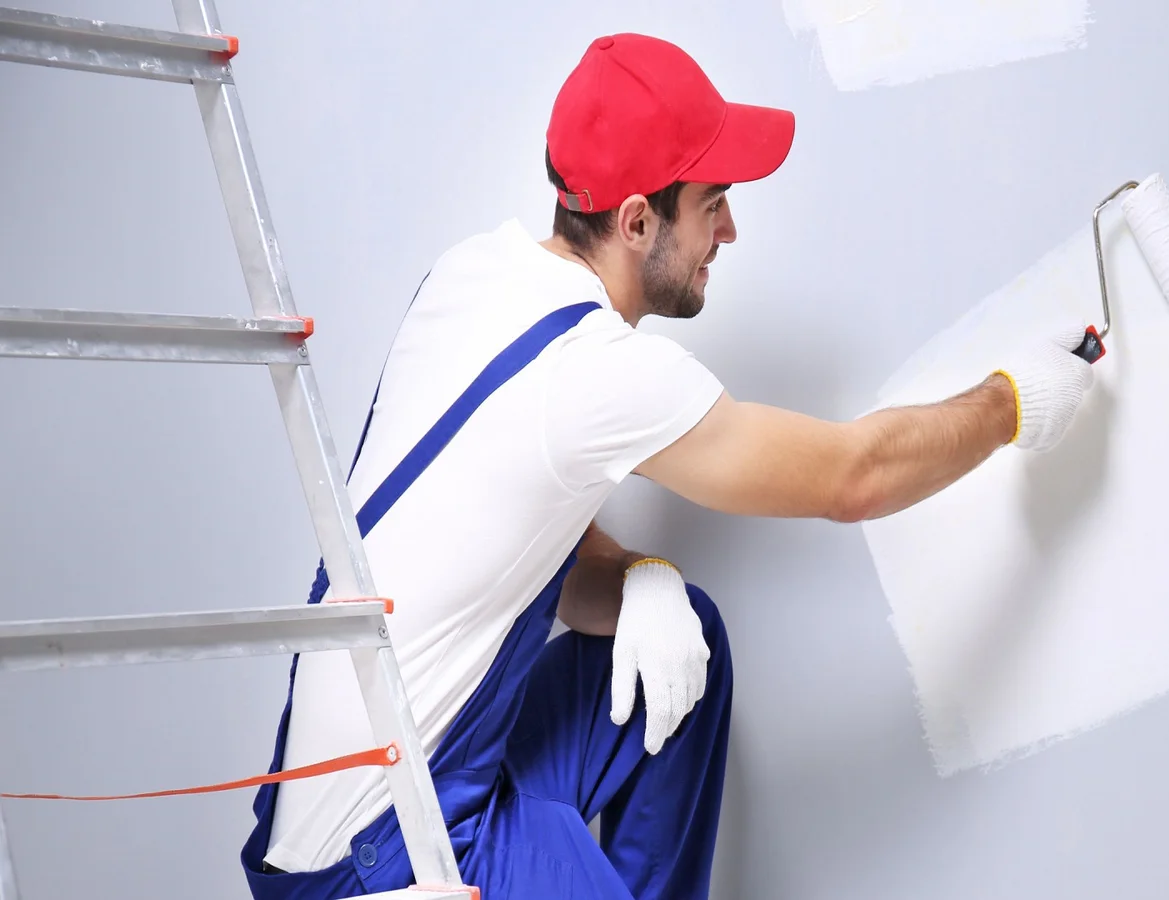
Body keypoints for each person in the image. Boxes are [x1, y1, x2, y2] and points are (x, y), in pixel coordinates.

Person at [241, 31, 1095, 900]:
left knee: (687, 640)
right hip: (377, 856)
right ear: (638, 218)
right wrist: (1010, 403)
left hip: (398, 780)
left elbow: (514, 520)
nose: (729, 229)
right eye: (712, 203)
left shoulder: (472, 273)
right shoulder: (601, 370)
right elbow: (854, 478)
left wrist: (639, 572)